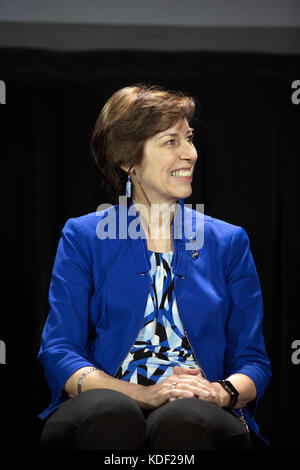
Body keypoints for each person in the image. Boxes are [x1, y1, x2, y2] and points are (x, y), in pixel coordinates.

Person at [38, 83, 271, 450]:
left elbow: (253, 360)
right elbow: (59, 350)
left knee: (183, 420)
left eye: (189, 139)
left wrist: (220, 393)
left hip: (198, 407)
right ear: (128, 159)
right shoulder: (85, 235)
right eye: (171, 141)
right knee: (112, 412)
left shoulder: (228, 241)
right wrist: (140, 394)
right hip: (104, 400)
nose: (190, 153)